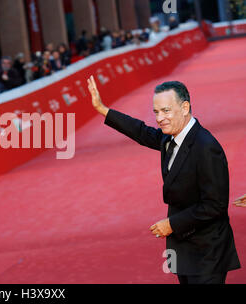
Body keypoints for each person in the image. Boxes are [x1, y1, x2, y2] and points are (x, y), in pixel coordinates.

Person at [86, 77, 240, 284]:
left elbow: (215, 205)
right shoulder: (170, 138)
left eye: (166, 111)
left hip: (208, 252)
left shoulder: (206, 147)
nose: (160, 118)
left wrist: (172, 224)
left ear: (185, 108)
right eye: (156, 112)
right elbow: (142, 132)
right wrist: (103, 109)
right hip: (185, 248)